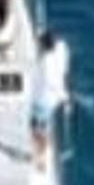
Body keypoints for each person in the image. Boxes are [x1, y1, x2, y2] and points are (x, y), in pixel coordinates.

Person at [31, 28, 72, 158]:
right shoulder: (62, 48)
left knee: (37, 126)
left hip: (44, 100)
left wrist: (64, 99)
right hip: (54, 96)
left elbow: (53, 84)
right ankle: (42, 142)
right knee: (41, 123)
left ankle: (41, 154)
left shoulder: (46, 64)